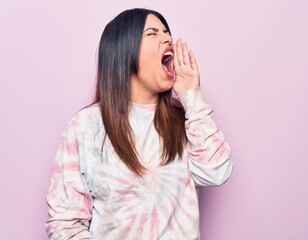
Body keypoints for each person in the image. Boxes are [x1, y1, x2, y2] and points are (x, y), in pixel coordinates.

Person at [45, 8, 233, 240]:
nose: (167, 38)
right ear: (124, 51)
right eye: (152, 34)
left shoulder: (185, 119)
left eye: (167, 32)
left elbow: (217, 172)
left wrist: (192, 97)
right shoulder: (86, 126)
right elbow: (65, 223)